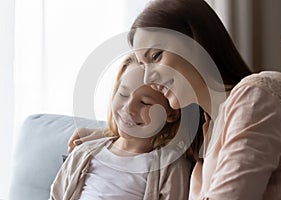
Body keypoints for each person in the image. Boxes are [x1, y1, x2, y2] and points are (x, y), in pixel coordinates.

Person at [126, 0, 281, 199]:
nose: (148, 79)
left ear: (197, 41)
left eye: (156, 56)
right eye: (143, 65)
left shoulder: (256, 94)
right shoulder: (207, 136)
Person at [50, 54, 193, 200]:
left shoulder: (171, 166)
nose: (128, 108)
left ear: (171, 113)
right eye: (123, 94)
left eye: (144, 102)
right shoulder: (83, 154)